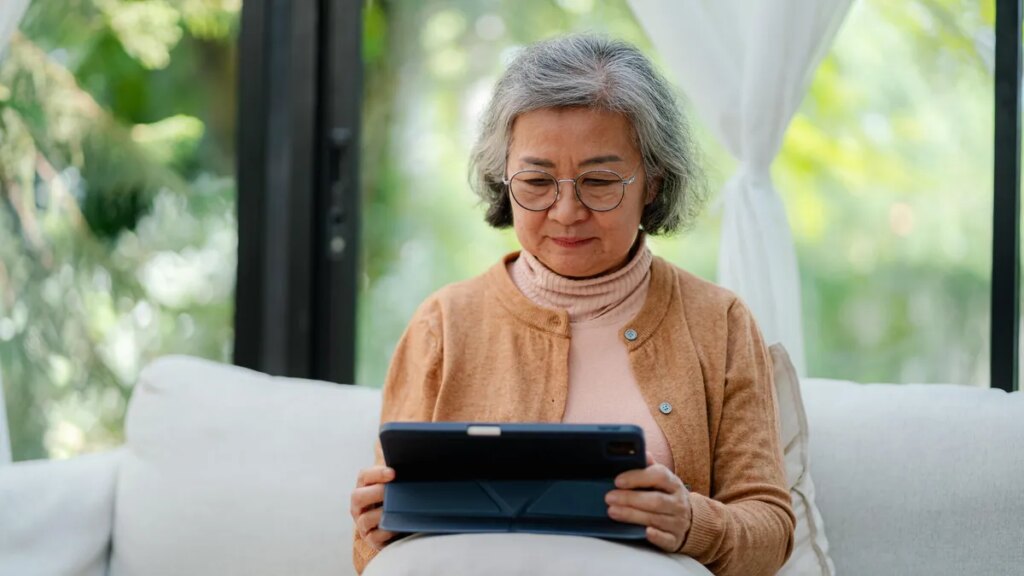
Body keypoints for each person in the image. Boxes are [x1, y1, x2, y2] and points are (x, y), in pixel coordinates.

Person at [349, 34, 795, 576]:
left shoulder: (718, 322)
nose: (565, 212)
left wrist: (689, 522)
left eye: (599, 181)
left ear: (651, 183)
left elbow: (770, 529)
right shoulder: (444, 322)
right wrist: (377, 528)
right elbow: (376, 549)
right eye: (536, 181)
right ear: (503, 178)